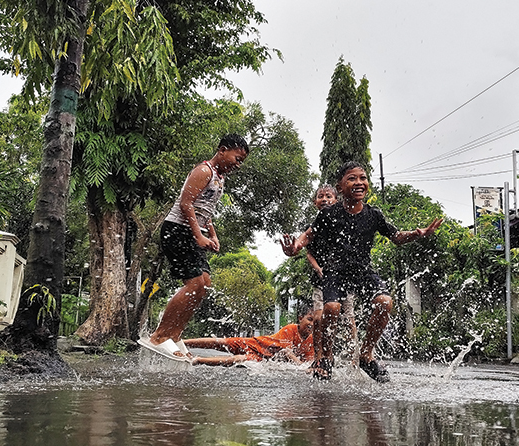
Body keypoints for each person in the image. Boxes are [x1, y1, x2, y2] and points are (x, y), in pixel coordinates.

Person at [282, 161, 443, 382]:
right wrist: (294, 247)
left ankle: (366, 355)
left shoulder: (373, 215)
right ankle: (325, 358)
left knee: (385, 302)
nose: (359, 183)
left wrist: (417, 233)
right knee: (331, 307)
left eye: (363, 178)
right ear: (340, 187)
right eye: (352, 179)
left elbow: (396, 237)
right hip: (334, 272)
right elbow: (308, 236)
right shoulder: (329, 214)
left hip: (362, 271)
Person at [139, 134, 249, 361]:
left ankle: (175, 334)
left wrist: (213, 235)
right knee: (194, 283)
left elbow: (205, 212)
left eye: (241, 162)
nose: (238, 165)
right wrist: (198, 236)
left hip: (193, 233)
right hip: (177, 230)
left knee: (204, 284)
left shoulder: (220, 178)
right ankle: (158, 336)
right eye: (237, 158)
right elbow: (186, 203)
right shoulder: (204, 171)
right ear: (222, 150)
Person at [303, 185, 358, 361]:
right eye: (321, 196)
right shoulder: (312, 227)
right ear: (315, 202)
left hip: (344, 279)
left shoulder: (343, 223)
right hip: (321, 279)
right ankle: (320, 358)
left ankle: (354, 359)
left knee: (348, 320)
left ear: (336, 201)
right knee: (318, 319)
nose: (325, 199)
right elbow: (309, 253)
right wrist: (319, 269)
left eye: (329, 196)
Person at [182, 306, 318, 366]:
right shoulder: (291, 329)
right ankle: (183, 342)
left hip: (263, 358)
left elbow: (308, 360)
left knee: (239, 359)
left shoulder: (312, 340)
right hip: (257, 344)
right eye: (310, 319)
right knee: (222, 342)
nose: (312, 324)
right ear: (300, 318)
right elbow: (286, 352)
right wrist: (301, 366)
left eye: (316, 321)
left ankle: (197, 360)